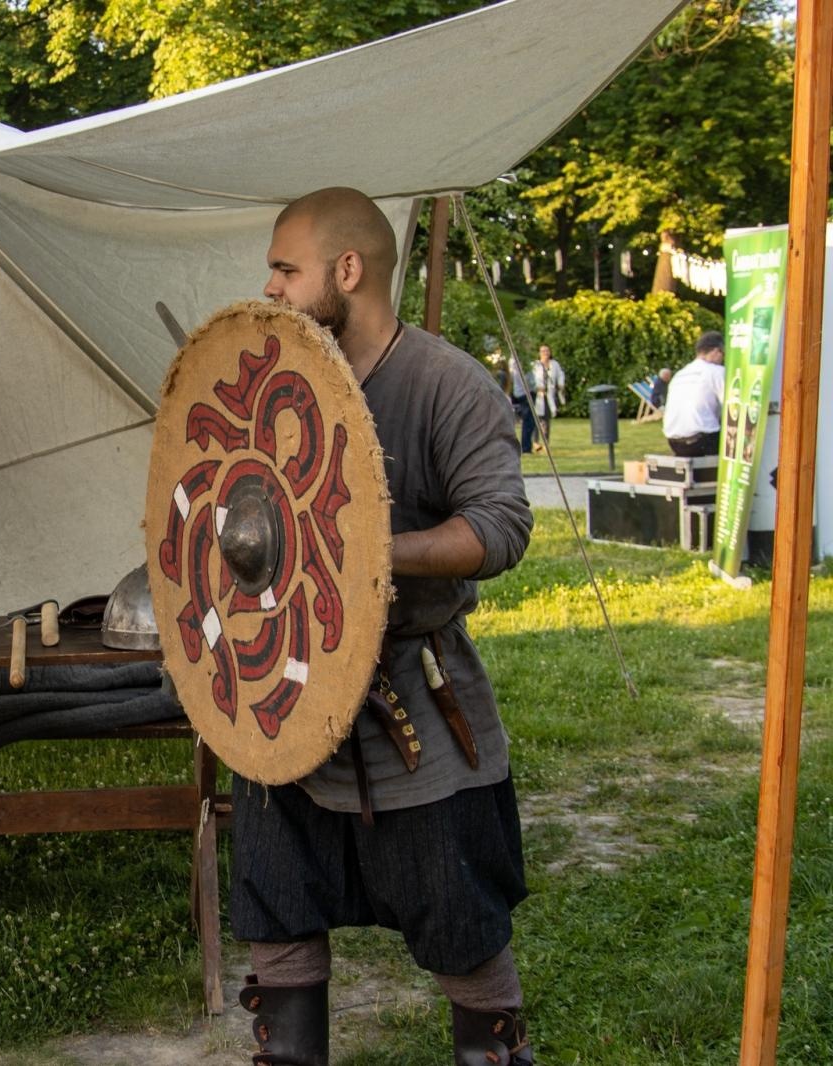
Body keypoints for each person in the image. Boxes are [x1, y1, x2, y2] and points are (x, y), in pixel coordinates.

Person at [244, 188, 535, 1065]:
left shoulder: (444, 383)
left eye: (285, 269)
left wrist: (370, 552)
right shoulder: (272, 385)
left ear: (347, 271)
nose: (270, 289)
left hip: (414, 702)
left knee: (463, 933)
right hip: (283, 695)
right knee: (279, 918)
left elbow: (501, 527)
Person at [662, 331, 725, 457]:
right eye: (723, 354)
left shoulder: (680, 374)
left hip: (674, 442)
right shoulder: (717, 371)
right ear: (716, 351)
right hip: (701, 440)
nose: (722, 359)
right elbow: (731, 407)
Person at [529, 343, 565, 452]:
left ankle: (546, 443)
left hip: (549, 396)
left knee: (547, 420)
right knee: (537, 420)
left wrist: (560, 385)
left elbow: (560, 376)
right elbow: (530, 379)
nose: (545, 353)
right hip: (538, 396)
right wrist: (536, 387)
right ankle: (535, 443)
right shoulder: (535, 365)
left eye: (547, 351)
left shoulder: (555, 365)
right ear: (539, 353)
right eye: (543, 351)